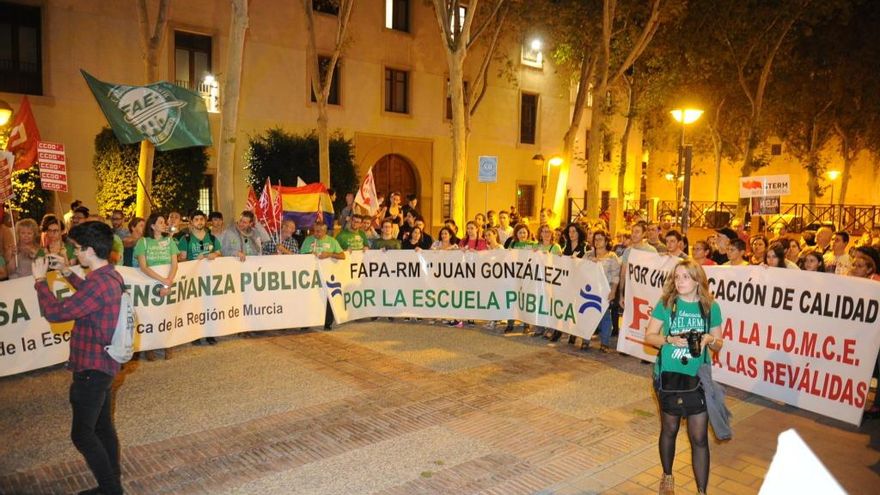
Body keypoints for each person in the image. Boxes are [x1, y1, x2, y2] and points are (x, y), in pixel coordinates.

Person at [32, 221, 125, 495]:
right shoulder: (109, 276)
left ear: (89, 250)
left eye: (76, 249)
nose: (74, 253)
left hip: (92, 368)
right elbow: (88, 294)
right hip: (105, 365)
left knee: (83, 435)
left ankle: (110, 489)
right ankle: (113, 483)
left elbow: (57, 313)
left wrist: (40, 281)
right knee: (103, 427)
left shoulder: (100, 284)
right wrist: (65, 272)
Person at [644, 259, 723, 495]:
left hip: (697, 379)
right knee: (669, 428)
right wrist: (669, 339)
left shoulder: (710, 307)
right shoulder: (667, 304)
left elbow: (719, 344)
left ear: (698, 279)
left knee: (699, 436)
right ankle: (667, 476)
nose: (680, 282)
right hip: (668, 376)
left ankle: (701, 491)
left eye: (685, 277)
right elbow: (650, 335)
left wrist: (710, 339)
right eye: (677, 277)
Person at [134, 213, 180, 360]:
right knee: (150, 315)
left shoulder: (169, 241)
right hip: (150, 282)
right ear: (152, 226)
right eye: (160, 222)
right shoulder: (143, 242)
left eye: (164, 222)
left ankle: (169, 344)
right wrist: (161, 279)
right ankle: (150, 347)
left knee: (168, 313)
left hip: (167, 281)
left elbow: (174, 264)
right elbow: (143, 266)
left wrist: (169, 280)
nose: (164, 224)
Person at [300, 221, 346, 330]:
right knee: (309, 298)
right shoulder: (308, 240)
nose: (316, 233)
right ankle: (306, 322)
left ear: (325, 231)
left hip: (327, 275)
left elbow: (342, 255)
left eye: (319, 231)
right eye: (314, 231)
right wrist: (310, 255)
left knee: (327, 298)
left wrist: (329, 254)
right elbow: (301, 255)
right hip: (311, 276)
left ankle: (327, 323)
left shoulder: (332, 241)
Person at [587, 230, 620, 352]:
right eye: (596, 239)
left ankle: (604, 343)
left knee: (605, 316)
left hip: (604, 290)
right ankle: (586, 340)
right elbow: (579, 267)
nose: (597, 241)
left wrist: (613, 291)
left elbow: (616, 276)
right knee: (587, 314)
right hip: (588, 290)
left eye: (600, 239)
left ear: (606, 241)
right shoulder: (588, 255)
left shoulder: (612, 256)